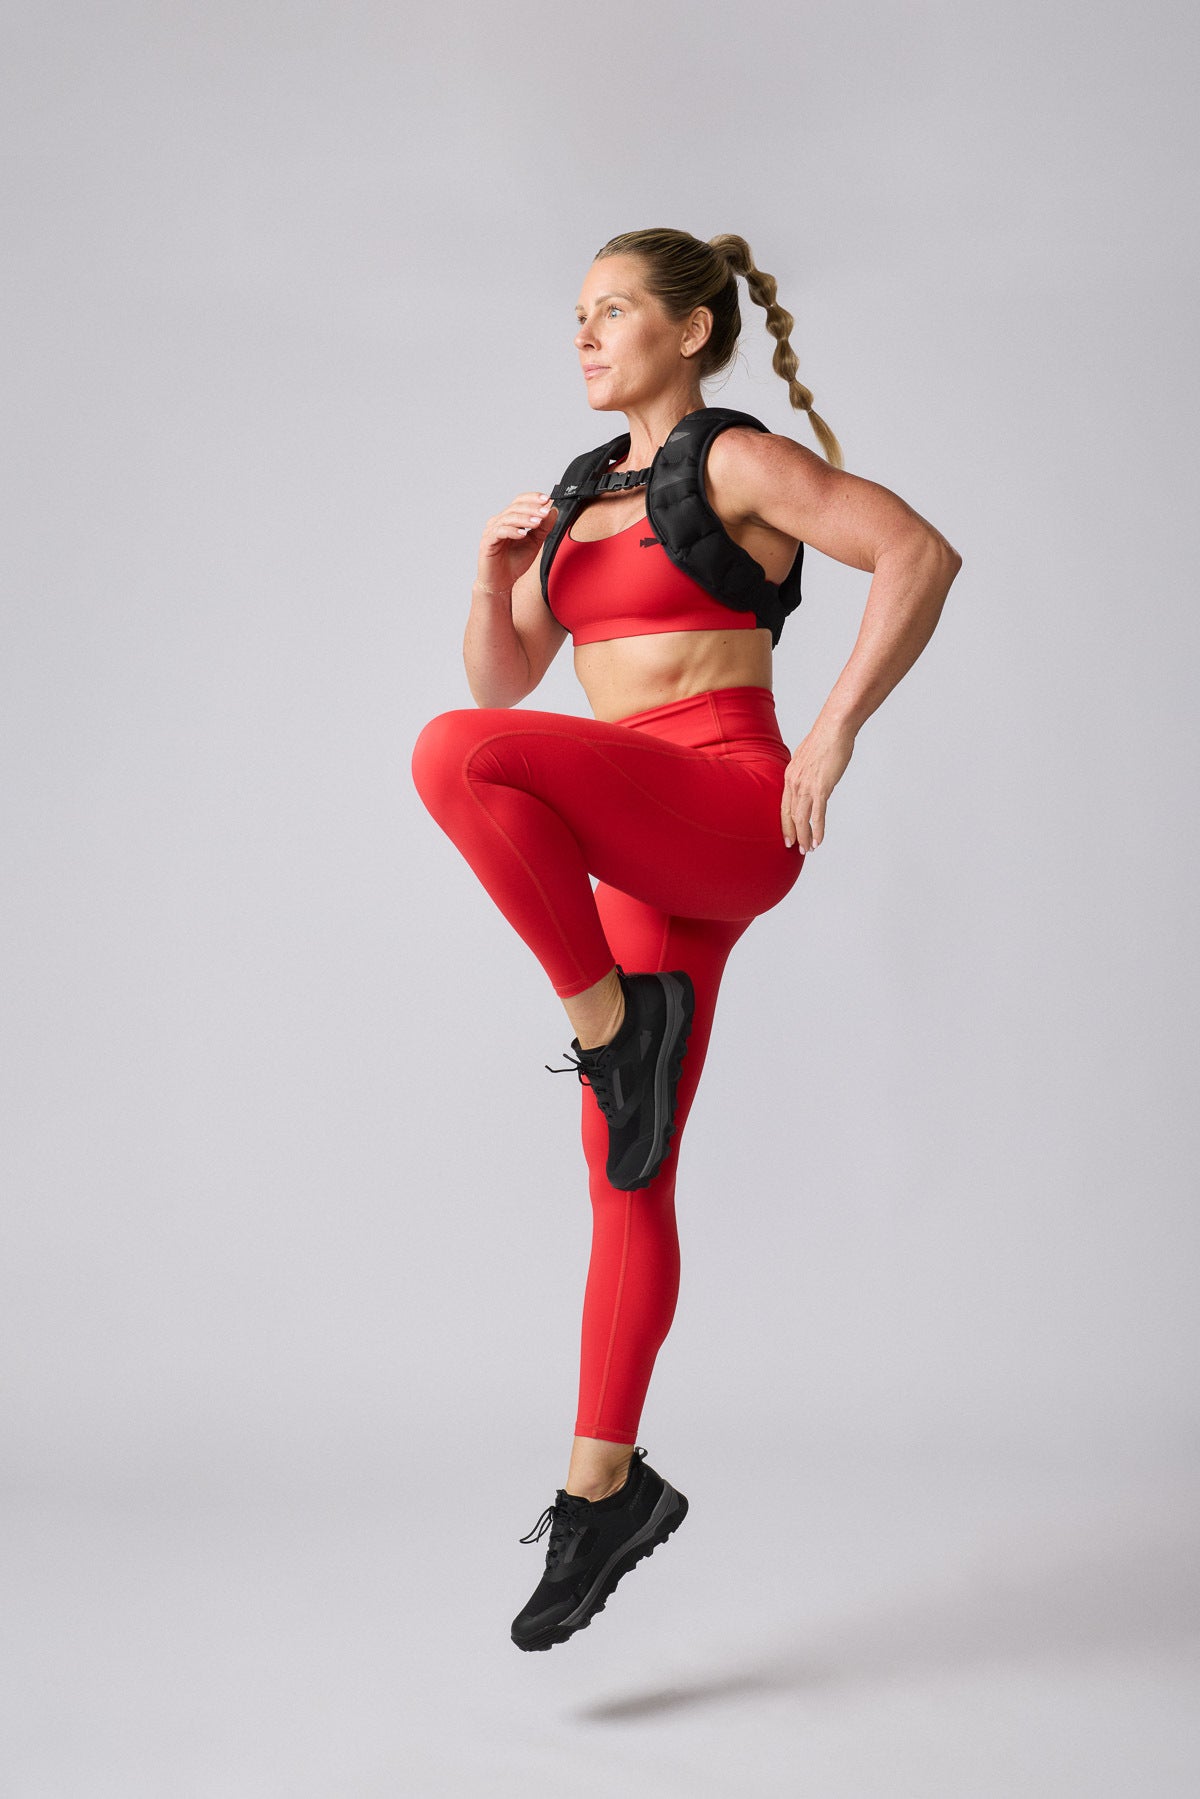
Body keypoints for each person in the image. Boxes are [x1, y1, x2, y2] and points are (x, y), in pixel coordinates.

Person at [410, 227, 961, 1653]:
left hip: (720, 797)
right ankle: (607, 1488)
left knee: (453, 757)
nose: (585, 336)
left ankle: (610, 1027)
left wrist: (831, 729)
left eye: (613, 312)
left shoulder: (732, 460)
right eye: (576, 316)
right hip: (641, 835)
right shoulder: (586, 489)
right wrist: (491, 576)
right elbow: (513, 673)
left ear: (695, 328)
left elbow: (914, 551)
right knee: (624, 1170)